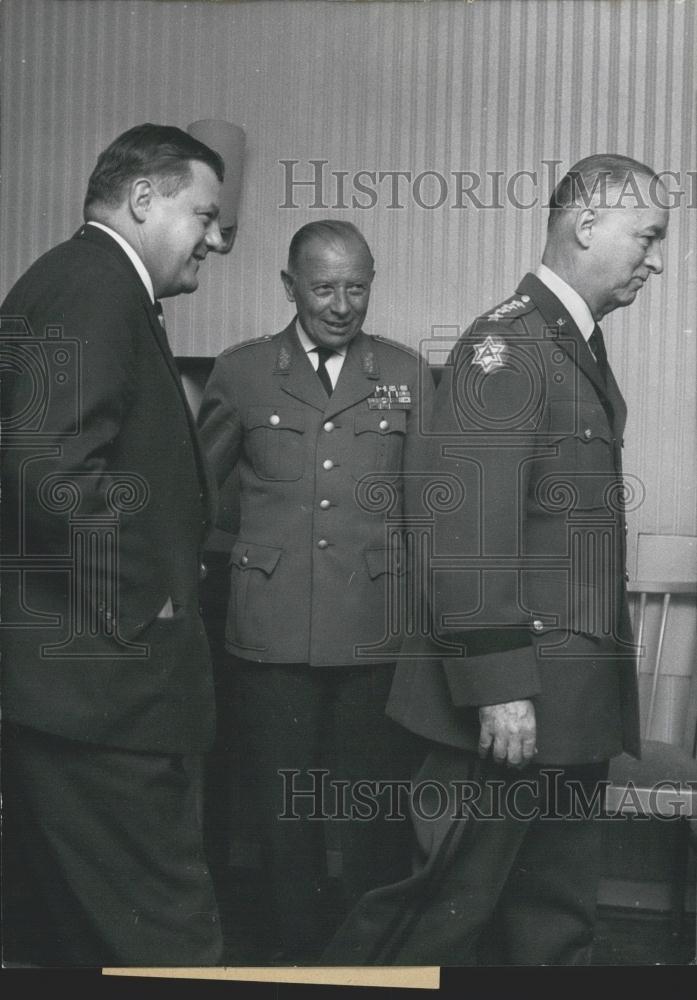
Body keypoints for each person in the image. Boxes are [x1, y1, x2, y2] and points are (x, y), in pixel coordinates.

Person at [322, 154, 670, 965]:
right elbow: (462, 534)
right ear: (586, 226)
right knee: (433, 919)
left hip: (567, 698)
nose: (655, 259)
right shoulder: (507, 346)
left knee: (550, 926)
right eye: (647, 236)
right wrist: (500, 687)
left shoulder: (566, 344)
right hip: (513, 705)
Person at [1, 123, 228, 966]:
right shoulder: (97, 284)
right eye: (204, 214)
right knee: (169, 942)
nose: (214, 238)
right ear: (144, 199)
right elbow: (50, 467)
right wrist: (152, 600)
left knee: (83, 942)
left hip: (79, 690)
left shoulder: (80, 282)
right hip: (107, 693)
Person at [197, 220, 434, 963]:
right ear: (289, 286)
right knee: (282, 815)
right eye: (324, 287)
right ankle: (295, 957)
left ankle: (367, 962)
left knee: (373, 816)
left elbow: (427, 506)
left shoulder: (403, 372)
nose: (341, 304)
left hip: (373, 631)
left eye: (355, 287)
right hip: (269, 633)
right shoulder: (240, 374)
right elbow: (197, 503)